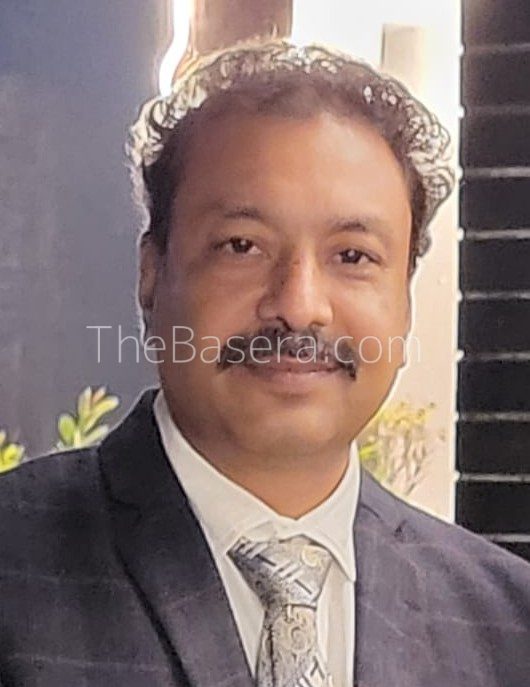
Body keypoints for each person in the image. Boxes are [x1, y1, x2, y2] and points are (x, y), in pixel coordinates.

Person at [0, 40, 529, 687]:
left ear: (404, 300)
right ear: (151, 274)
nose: (299, 307)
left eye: (353, 256)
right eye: (242, 245)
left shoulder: (508, 625)